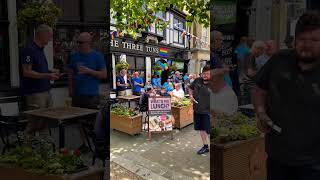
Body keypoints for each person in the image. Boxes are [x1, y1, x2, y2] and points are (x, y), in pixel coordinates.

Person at [252, 11, 320, 180]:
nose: (307, 45)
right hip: (277, 157)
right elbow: (259, 89)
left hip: (314, 163)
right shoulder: (279, 60)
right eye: (303, 39)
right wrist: (260, 113)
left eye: (314, 40)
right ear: (295, 40)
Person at [68, 32, 107, 152]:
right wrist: (70, 89)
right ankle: (85, 143)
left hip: (91, 95)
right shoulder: (74, 56)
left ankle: (96, 145)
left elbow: (104, 75)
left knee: (93, 121)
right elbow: (70, 73)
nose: (78, 45)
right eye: (77, 42)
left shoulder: (97, 56)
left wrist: (89, 71)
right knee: (79, 121)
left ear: (88, 43)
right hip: (77, 94)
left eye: (81, 42)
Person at [20, 24, 60, 136]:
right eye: (49, 36)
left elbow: (38, 69)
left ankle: (44, 149)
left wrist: (50, 71)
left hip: (45, 90)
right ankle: (27, 150)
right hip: (35, 93)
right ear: (41, 35)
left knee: (45, 122)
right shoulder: (29, 49)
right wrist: (47, 76)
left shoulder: (40, 49)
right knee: (34, 123)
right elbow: (27, 72)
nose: (50, 39)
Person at [188, 65, 211, 155]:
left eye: (207, 73)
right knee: (201, 129)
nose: (205, 75)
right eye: (203, 73)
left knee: (210, 131)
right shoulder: (197, 80)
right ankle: (205, 146)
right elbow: (190, 88)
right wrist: (191, 95)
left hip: (209, 112)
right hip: (197, 110)